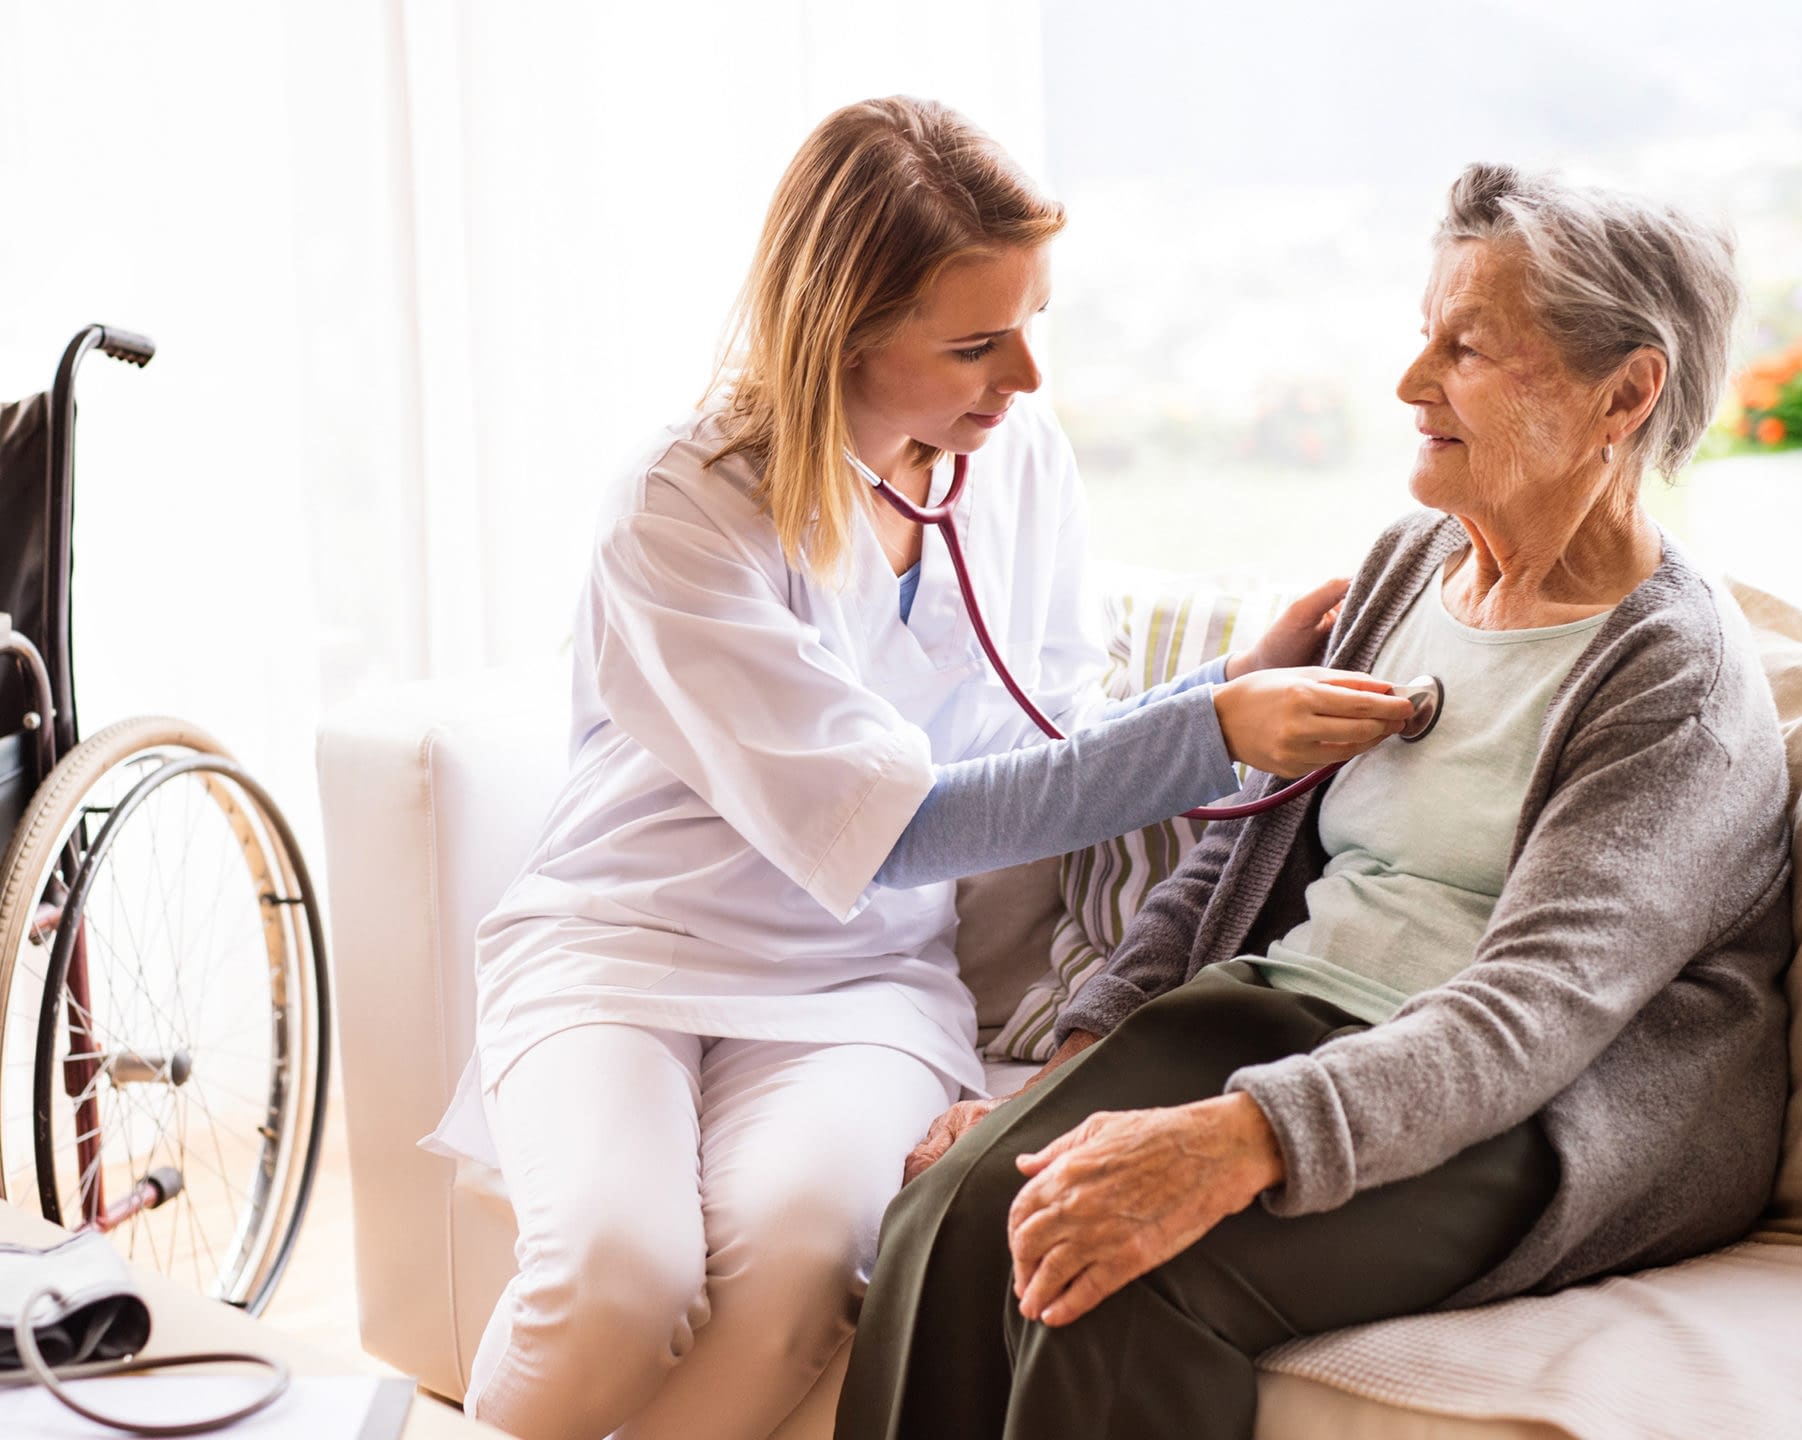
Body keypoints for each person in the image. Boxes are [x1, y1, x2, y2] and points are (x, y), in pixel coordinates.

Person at [427, 97, 1414, 1440]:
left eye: (1030, 324)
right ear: (838, 332)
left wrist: (1220, 688)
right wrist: (1215, 727)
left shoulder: (1016, 468)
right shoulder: (683, 504)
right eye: (974, 343)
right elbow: (896, 829)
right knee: (618, 1278)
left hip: (857, 981)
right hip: (624, 952)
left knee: (797, 1274)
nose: (1025, 379)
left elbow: (1046, 745)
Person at [839, 162, 1796, 1440]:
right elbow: (1231, 865)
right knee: (956, 1202)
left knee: (1113, 1281)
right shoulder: (1412, 566)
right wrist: (1074, 1059)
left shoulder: (1672, 682)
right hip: (1285, 1016)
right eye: (1425, 335)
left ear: (1623, 392)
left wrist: (1232, 1142)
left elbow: (1530, 1018)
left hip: (1526, 1113)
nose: (1411, 385)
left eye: (1467, 349)